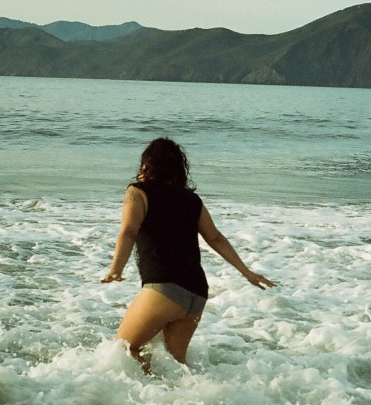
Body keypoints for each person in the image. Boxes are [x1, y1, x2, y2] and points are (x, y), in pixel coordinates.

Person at [101, 137, 274, 371]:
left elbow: (129, 231)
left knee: (123, 351)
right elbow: (215, 238)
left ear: (145, 166)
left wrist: (116, 269)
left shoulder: (137, 191)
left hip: (164, 288)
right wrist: (247, 273)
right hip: (196, 294)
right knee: (174, 366)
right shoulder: (192, 200)